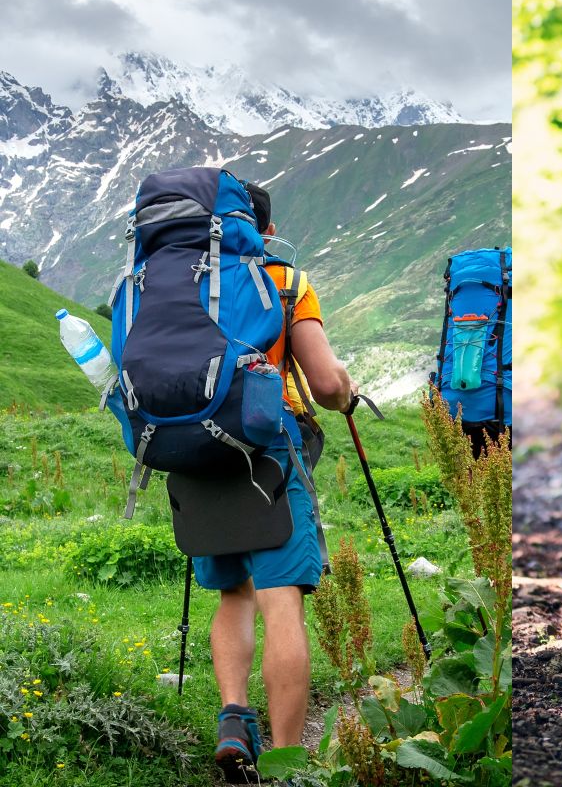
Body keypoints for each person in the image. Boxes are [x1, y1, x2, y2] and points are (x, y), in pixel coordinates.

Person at [200, 183, 356, 778]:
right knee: (280, 599)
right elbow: (324, 383)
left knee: (232, 592)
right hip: (269, 449)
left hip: (195, 453)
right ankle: (288, 762)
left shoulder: (178, 282)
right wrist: (345, 392)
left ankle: (235, 719)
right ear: (262, 230)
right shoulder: (285, 279)